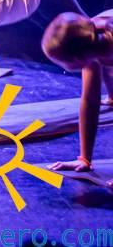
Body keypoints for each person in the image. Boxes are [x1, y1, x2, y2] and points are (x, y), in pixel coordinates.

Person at [41, 10, 113, 188]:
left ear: (77, 58)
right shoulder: (90, 39)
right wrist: (84, 159)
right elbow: (90, 101)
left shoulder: (91, 46)